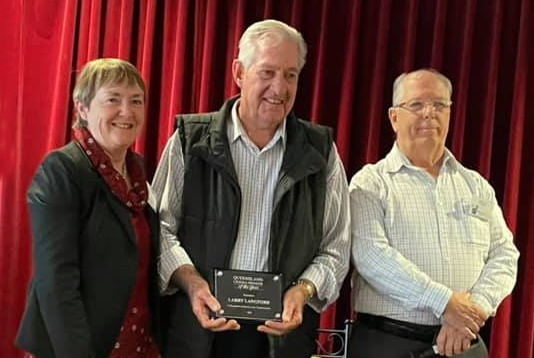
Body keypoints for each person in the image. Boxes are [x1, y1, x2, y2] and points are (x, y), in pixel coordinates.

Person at [152, 19, 350, 358]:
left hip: (280, 341)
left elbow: (336, 246)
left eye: (290, 75)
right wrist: (193, 283)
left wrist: (303, 291)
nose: (280, 88)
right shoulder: (190, 141)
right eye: (267, 72)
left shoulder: (320, 151)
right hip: (199, 333)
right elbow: (160, 230)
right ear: (239, 73)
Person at [348, 69, 519, 358]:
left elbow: (505, 254)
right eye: (416, 104)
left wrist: (472, 310)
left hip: (464, 343)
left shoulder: (476, 185)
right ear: (393, 117)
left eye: (440, 104)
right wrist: (445, 303)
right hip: (387, 343)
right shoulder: (370, 183)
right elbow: (370, 255)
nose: (429, 113)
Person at [16, 58, 161, 358]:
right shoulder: (62, 171)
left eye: (136, 101)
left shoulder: (137, 173)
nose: (127, 111)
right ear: (82, 108)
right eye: (113, 99)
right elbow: (56, 284)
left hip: (135, 341)